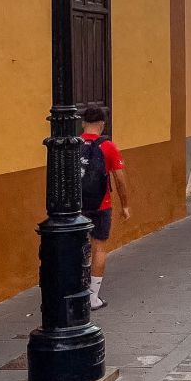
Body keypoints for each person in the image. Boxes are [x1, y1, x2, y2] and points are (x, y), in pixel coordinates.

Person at [79, 104, 129, 309]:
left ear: (83, 123)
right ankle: (93, 297)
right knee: (99, 248)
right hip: (101, 205)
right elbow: (119, 178)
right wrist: (125, 205)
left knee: (77, 247)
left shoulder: (73, 144)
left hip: (76, 206)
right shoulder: (108, 147)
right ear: (102, 124)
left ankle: (76, 292)